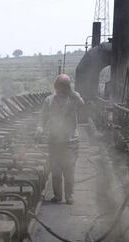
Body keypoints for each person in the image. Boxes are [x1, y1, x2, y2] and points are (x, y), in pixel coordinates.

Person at [36, 74, 85, 204]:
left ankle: (69, 196)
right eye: (59, 86)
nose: (60, 89)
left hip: (70, 142)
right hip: (54, 141)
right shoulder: (49, 100)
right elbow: (43, 116)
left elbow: (82, 104)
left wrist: (72, 91)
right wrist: (40, 127)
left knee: (69, 171)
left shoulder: (73, 99)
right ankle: (57, 196)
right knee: (56, 171)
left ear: (67, 87)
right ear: (55, 86)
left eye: (64, 87)